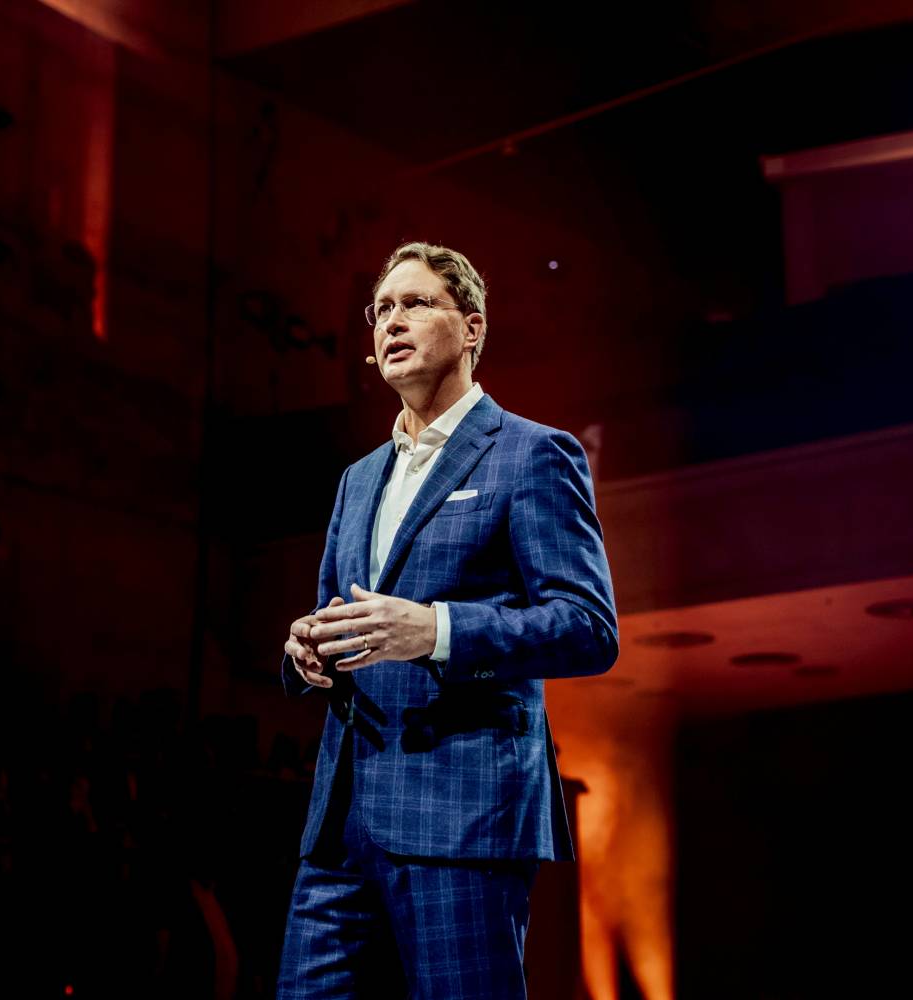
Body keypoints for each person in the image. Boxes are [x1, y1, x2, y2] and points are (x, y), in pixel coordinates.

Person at [277, 242, 619, 999]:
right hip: (341, 823)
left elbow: (588, 627)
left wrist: (435, 631)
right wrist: (309, 649)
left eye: (416, 303)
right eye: (381, 310)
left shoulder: (533, 454)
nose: (391, 321)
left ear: (472, 329)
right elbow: (339, 613)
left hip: (463, 815)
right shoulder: (357, 478)